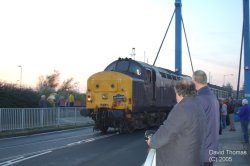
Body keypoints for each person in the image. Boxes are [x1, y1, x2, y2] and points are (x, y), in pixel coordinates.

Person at [147, 80, 207, 166]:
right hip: (195, 160)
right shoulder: (198, 107)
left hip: (179, 161)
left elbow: (165, 133)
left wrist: (152, 141)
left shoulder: (182, 108)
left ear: (179, 93)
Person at [192, 70, 220, 166]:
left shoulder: (200, 99)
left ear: (194, 81)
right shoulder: (212, 96)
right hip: (211, 147)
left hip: (203, 150)